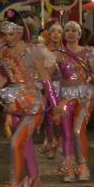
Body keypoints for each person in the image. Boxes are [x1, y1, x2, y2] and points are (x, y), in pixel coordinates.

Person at [0, 18, 58, 187]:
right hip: (14, 105)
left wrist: (55, 105)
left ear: (20, 33)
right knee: (26, 150)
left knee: (15, 144)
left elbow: (45, 79)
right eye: (3, 34)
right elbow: (0, 79)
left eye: (10, 34)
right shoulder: (3, 53)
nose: (6, 37)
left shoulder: (32, 51)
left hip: (33, 106)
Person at [52, 21, 94, 182]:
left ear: (80, 35)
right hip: (65, 96)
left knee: (77, 131)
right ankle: (69, 169)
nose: (70, 33)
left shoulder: (88, 53)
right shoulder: (58, 54)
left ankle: (83, 164)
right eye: (67, 30)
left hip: (84, 96)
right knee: (66, 133)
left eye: (74, 31)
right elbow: (48, 76)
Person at [39, 22, 63, 159]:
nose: (55, 34)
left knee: (61, 117)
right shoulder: (44, 51)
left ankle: (60, 142)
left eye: (58, 32)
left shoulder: (66, 50)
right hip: (49, 86)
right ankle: (50, 142)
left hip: (64, 87)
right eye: (53, 31)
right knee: (49, 116)